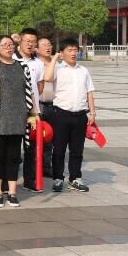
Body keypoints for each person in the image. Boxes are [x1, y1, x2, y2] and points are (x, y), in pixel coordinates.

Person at [0, 35, 37, 208]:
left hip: (18, 117)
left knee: (14, 157)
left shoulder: (22, 66)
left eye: (10, 44)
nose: (8, 47)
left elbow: (29, 91)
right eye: (4, 45)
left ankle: (12, 193)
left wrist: (34, 113)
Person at [44, 39, 95, 193]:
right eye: (69, 50)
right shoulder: (57, 69)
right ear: (62, 52)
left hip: (80, 115)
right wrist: (54, 58)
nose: (73, 53)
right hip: (61, 114)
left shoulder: (83, 70)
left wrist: (92, 113)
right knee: (59, 149)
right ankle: (58, 178)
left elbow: (89, 92)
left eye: (75, 50)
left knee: (77, 150)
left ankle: (75, 178)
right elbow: (47, 78)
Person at [14, 28, 45, 193]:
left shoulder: (38, 63)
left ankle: (29, 180)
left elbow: (40, 87)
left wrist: (34, 109)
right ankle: (8, 181)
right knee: (12, 147)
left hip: (33, 111)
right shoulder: (10, 58)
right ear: (20, 40)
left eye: (33, 42)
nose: (30, 44)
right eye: (28, 41)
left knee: (32, 148)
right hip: (12, 110)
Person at [36, 37, 55, 177]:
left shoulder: (57, 64)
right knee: (37, 137)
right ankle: (35, 166)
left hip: (55, 106)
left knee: (50, 138)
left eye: (49, 44)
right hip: (40, 106)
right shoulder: (35, 64)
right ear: (37, 49)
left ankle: (46, 166)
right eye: (44, 45)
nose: (48, 47)